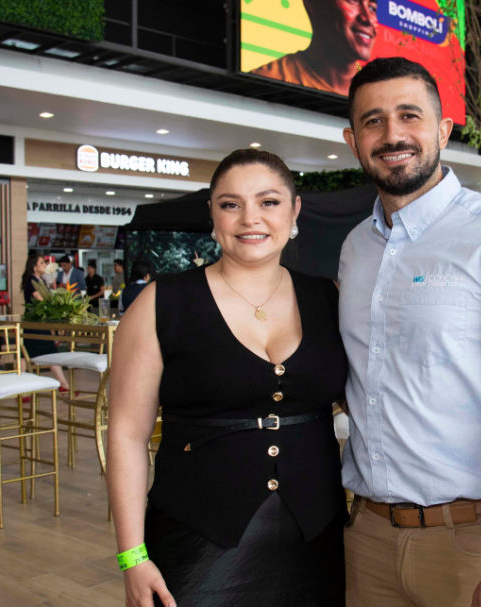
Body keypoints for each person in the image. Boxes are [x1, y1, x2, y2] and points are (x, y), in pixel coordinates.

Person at [338, 57, 481, 606]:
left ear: (443, 131)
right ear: (353, 142)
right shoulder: (355, 249)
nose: (392, 134)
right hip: (366, 537)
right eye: (373, 121)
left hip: (472, 542)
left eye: (409, 115)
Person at [107, 149, 347, 607]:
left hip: (316, 541)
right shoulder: (162, 303)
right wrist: (132, 557)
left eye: (269, 202)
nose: (250, 218)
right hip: (196, 538)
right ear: (213, 215)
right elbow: (126, 436)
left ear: (294, 211)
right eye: (231, 204)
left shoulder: (328, 298)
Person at [250, 0, 377, 96]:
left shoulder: (374, 93)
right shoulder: (269, 81)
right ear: (312, 3)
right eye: (353, 1)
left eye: (372, 8)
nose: (369, 19)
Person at [21, 254, 70, 392]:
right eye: (42, 263)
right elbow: (40, 299)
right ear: (34, 266)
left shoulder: (40, 280)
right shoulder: (32, 280)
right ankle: (63, 384)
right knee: (28, 354)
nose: (45, 265)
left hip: (39, 321)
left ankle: (63, 384)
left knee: (30, 354)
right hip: (34, 322)